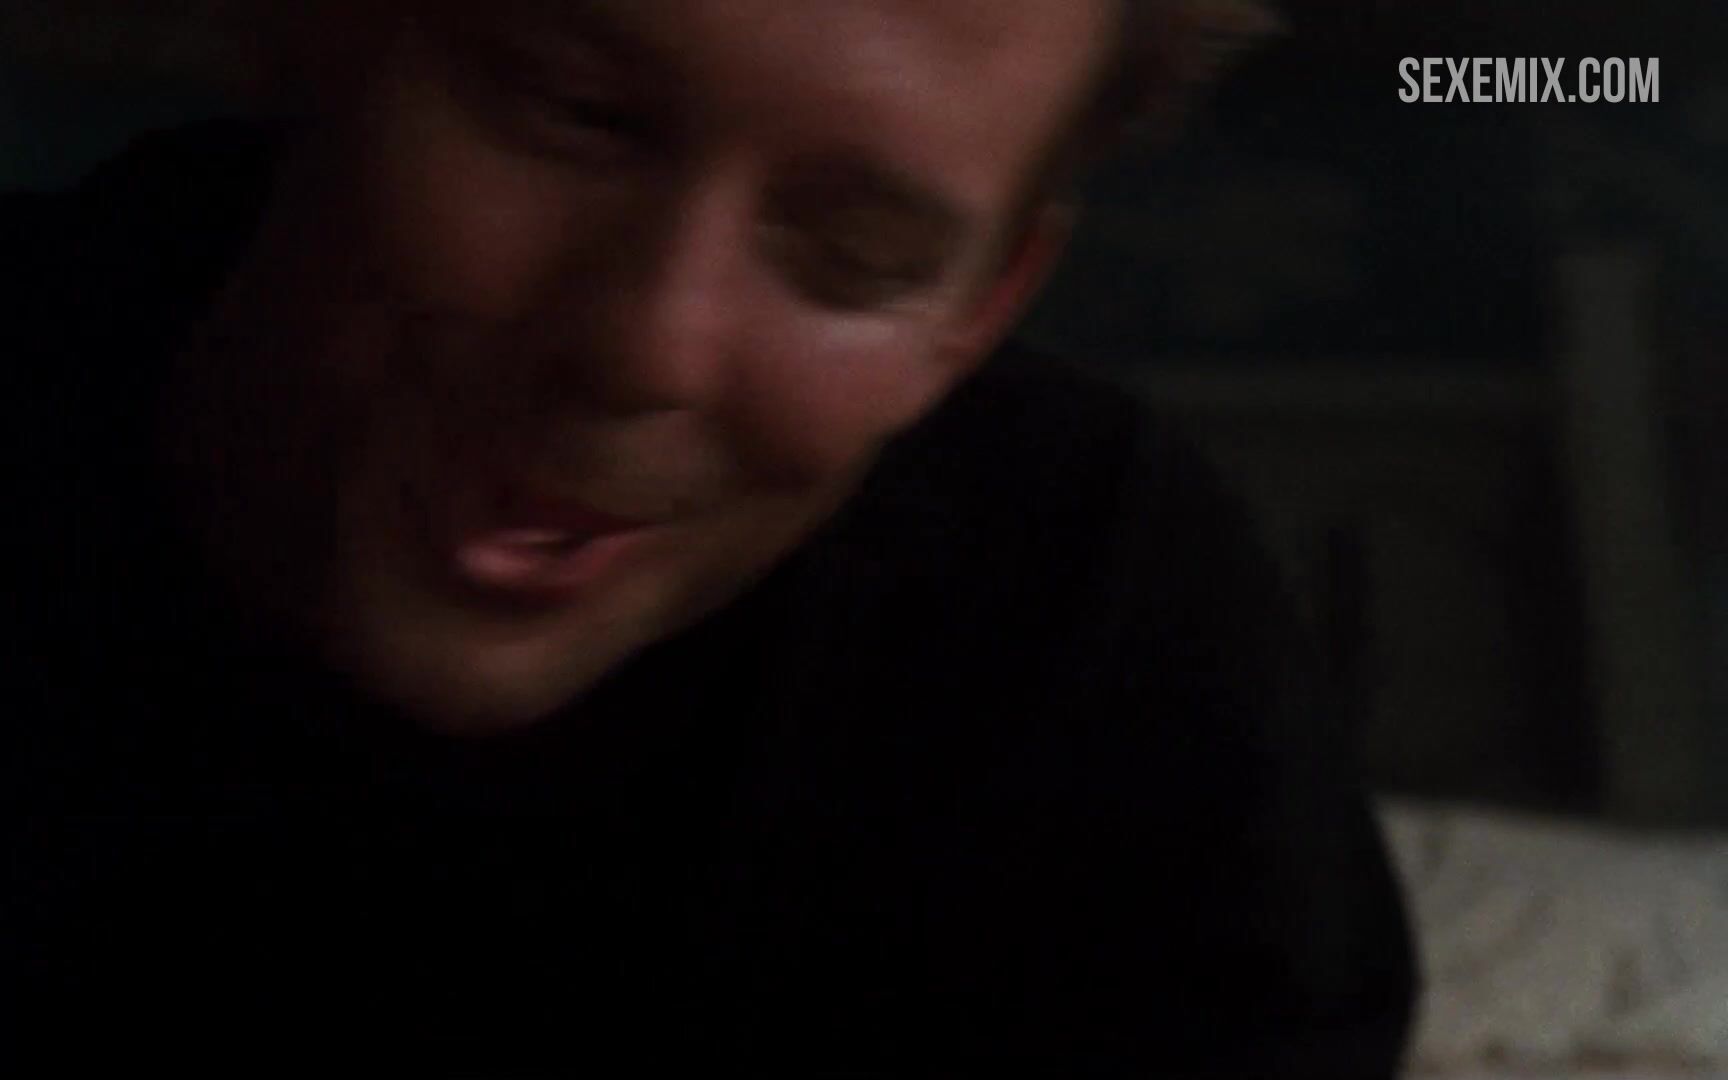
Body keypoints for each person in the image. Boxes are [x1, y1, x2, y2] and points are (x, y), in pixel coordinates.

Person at [2, 0, 1416, 1073]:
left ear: (984, 309)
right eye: (577, 117)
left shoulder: (1093, 618)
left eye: (855, 259)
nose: (648, 352)